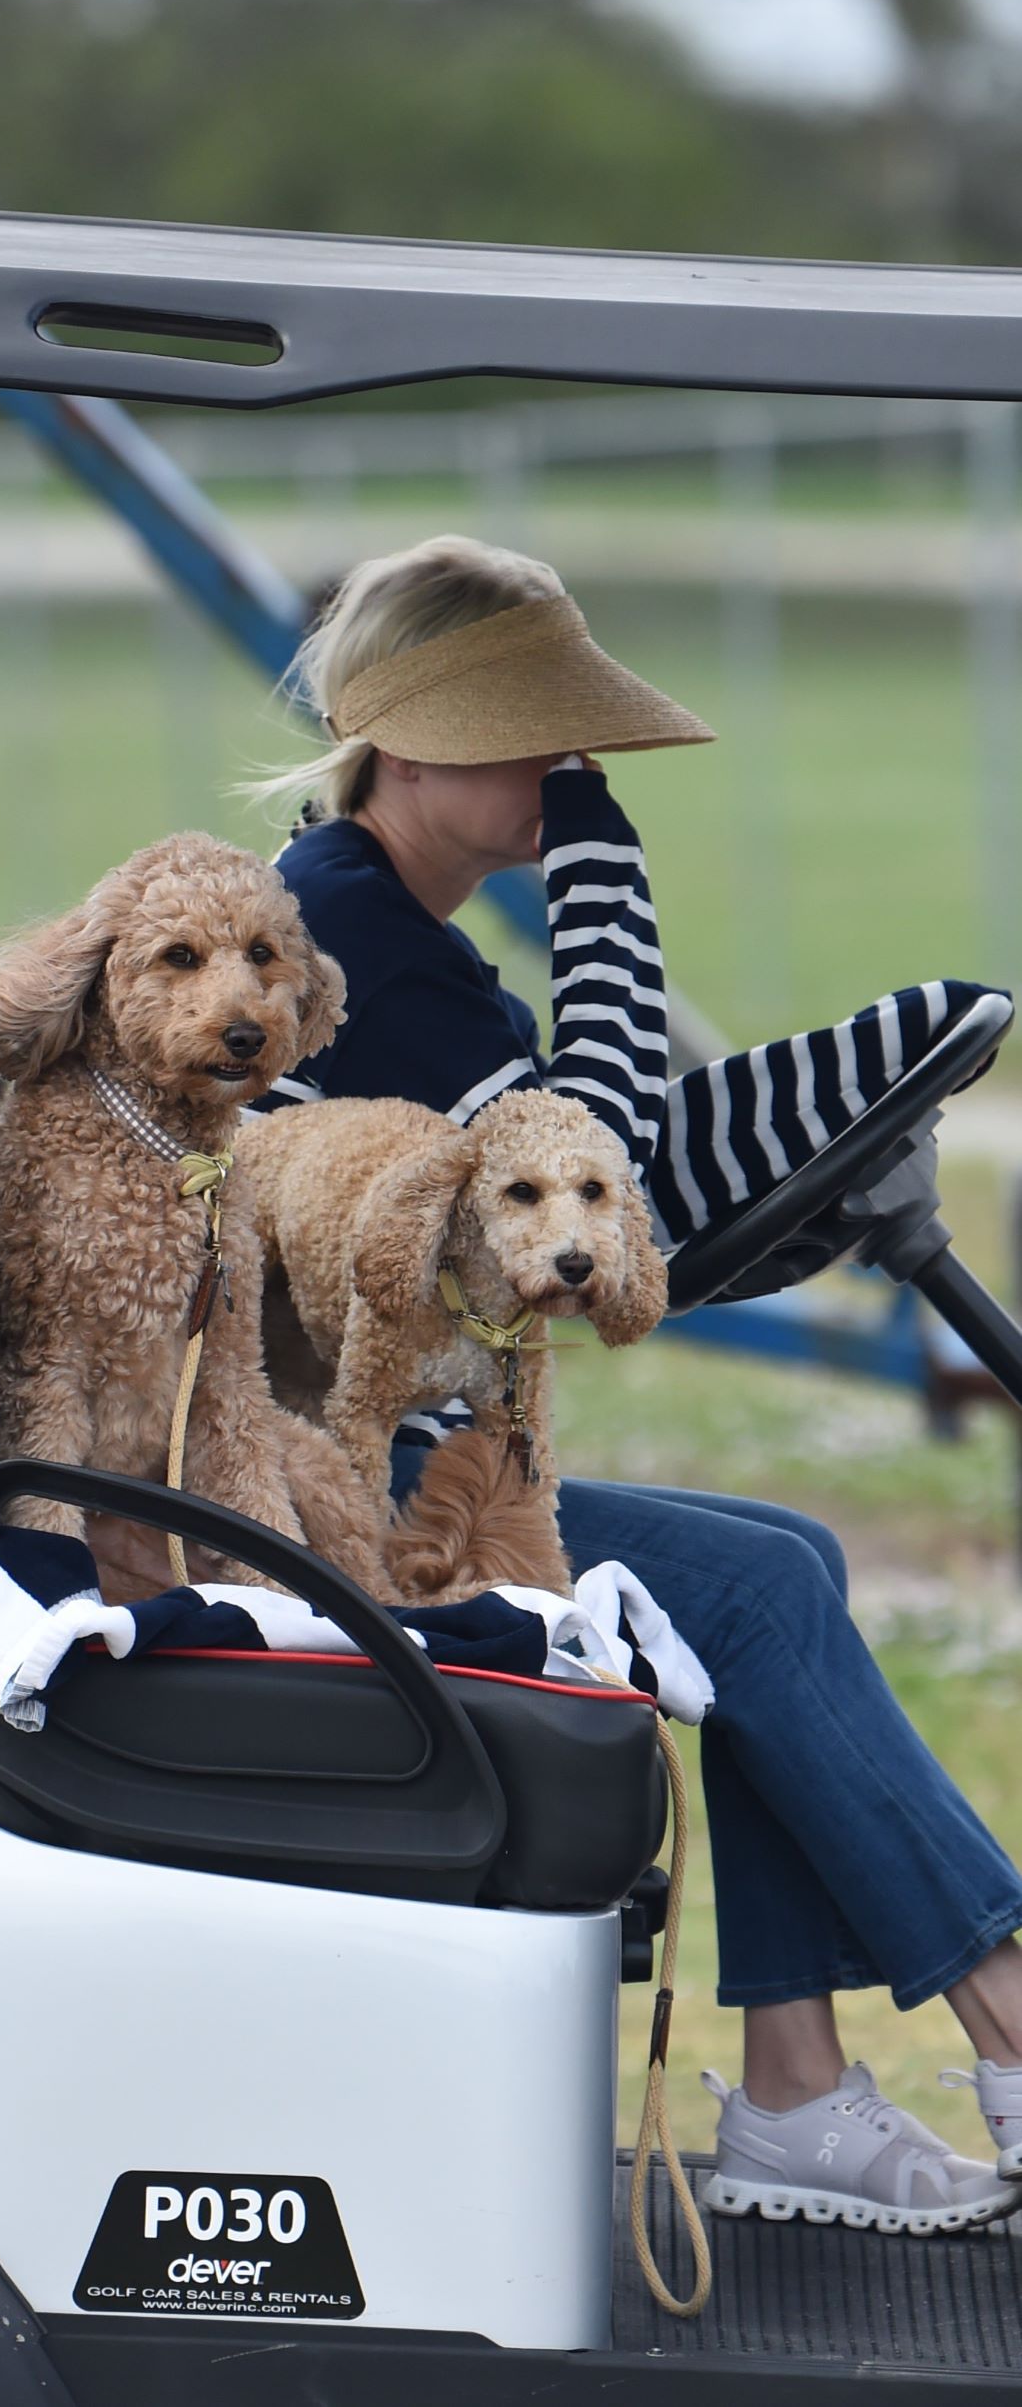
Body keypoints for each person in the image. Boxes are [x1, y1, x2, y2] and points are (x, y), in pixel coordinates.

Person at [248, 531, 1022, 2235]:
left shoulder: (378, 917)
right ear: (409, 742)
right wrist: (604, 872)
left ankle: (797, 2095)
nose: (568, 767)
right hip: (301, 1489)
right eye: (533, 735)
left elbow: (597, 1214)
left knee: (785, 1561)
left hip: (371, 1452)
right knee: (751, 1591)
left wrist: (823, 1186)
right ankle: (1010, 2013)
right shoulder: (344, 943)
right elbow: (605, 1174)